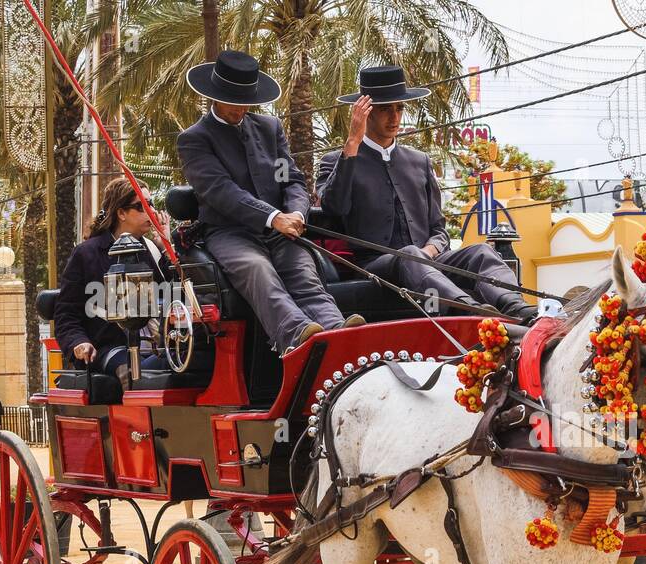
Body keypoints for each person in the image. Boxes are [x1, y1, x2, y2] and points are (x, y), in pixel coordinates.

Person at [316, 65, 538, 320]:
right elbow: (334, 207)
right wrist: (352, 144)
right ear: (366, 113)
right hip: (374, 266)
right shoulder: (337, 160)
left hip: (429, 259)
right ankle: (466, 311)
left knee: (482, 252)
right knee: (409, 254)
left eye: (399, 108)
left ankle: (517, 308)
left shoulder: (419, 161)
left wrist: (431, 250)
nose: (395, 117)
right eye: (386, 109)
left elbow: (438, 228)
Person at [177, 50, 362, 354]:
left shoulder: (269, 128)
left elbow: (293, 180)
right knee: (258, 271)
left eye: (246, 100)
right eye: (233, 101)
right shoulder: (195, 138)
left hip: (282, 231)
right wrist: (274, 216)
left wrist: (297, 213)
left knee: (304, 273)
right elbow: (221, 190)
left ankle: (338, 331)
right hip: (229, 234)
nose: (241, 108)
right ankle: (297, 336)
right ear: (215, 96)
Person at [53, 177, 171, 387]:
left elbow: (176, 294)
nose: (151, 211)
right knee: (133, 376)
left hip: (157, 345)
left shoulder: (154, 249)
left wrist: (166, 246)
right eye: (141, 205)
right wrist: (80, 343)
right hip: (110, 348)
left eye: (151, 204)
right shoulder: (86, 254)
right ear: (121, 213)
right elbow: (66, 314)